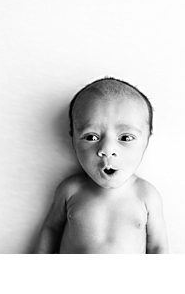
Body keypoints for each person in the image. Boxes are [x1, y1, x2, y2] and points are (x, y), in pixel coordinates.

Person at [36, 77, 168, 254]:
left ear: (147, 139)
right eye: (91, 137)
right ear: (73, 138)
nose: (107, 150)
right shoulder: (70, 189)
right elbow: (51, 231)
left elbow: (158, 246)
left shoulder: (146, 195)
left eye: (126, 138)